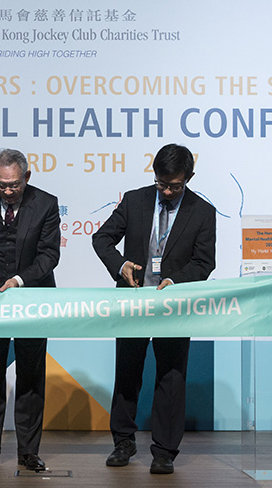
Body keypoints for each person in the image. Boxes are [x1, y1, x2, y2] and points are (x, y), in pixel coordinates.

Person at [92, 143, 216, 475]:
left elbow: (204, 263)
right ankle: (123, 442)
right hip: (132, 303)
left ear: (189, 177)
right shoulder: (135, 200)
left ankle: (164, 451)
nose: (167, 191)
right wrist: (121, 266)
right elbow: (102, 238)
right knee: (127, 374)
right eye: (161, 183)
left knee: (171, 379)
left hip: (173, 307)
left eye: (175, 185)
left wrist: (176, 281)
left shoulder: (202, 212)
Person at [0, 149, 61, 472]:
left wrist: (19, 280)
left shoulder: (46, 203)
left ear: (26, 178)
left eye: (14, 185)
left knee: (31, 376)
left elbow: (49, 256)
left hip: (32, 299)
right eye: (1, 184)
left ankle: (28, 452)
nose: (7, 191)